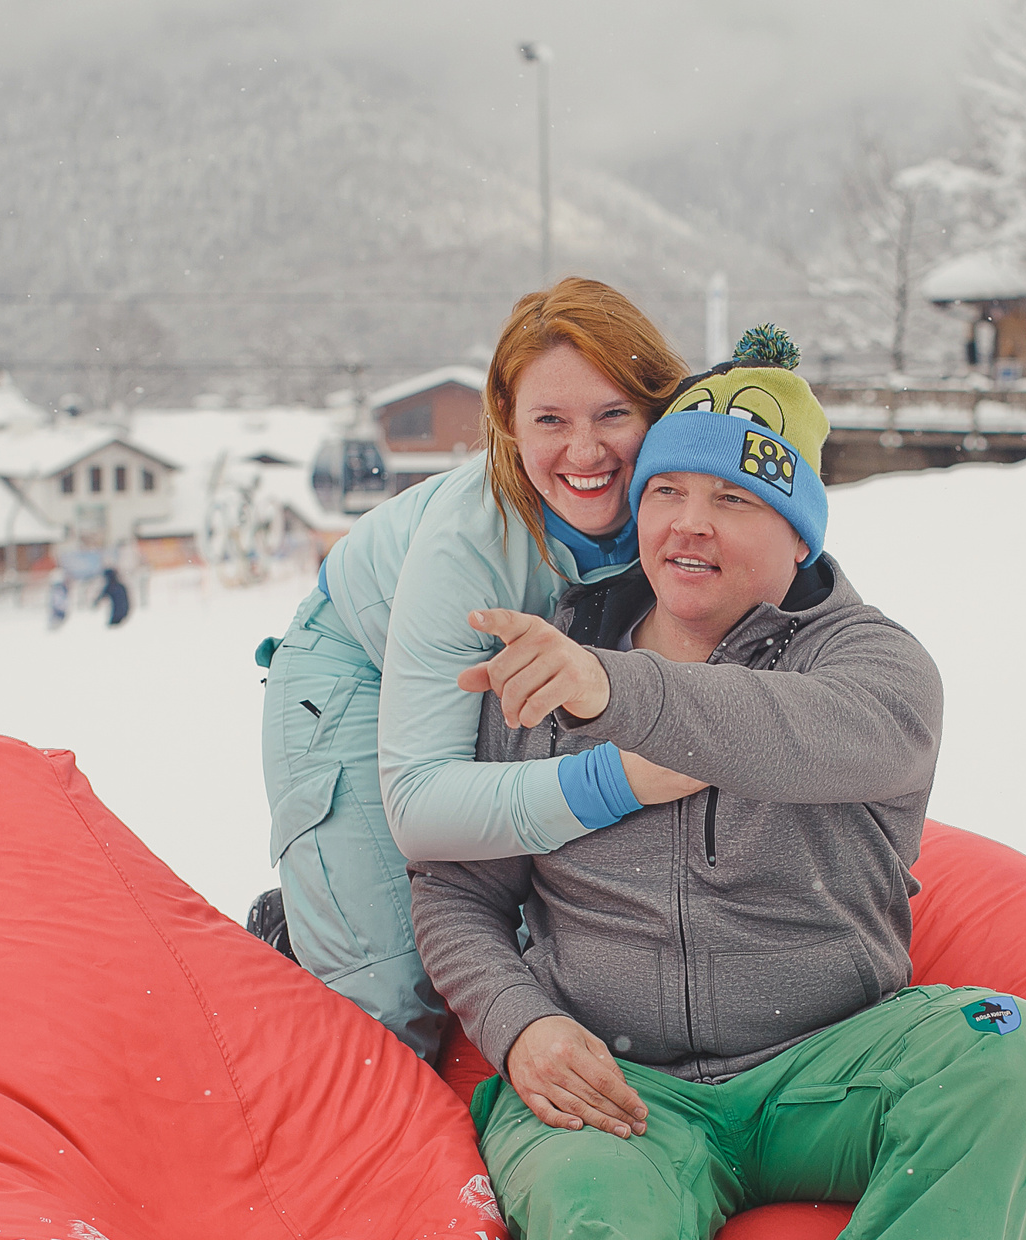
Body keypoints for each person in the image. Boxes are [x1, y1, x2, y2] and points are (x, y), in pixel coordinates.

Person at [411, 333, 1026, 1240]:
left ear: (799, 530)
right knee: (593, 1198)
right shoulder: (541, 669)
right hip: (622, 1074)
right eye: (667, 491)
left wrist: (619, 690)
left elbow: (796, 733)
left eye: (737, 499)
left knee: (1020, 1060)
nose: (690, 524)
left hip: (829, 1055)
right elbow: (456, 893)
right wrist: (524, 1019)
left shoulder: (871, 662)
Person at [253, 279, 695, 1061]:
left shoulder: (682, 499)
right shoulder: (468, 543)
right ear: (508, 425)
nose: (586, 453)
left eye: (613, 414)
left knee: (546, 933)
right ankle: (306, 928)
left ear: (657, 410)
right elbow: (421, 803)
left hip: (522, 692)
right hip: (362, 663)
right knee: (392, 1008)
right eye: (550, 421)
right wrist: (617, 779)